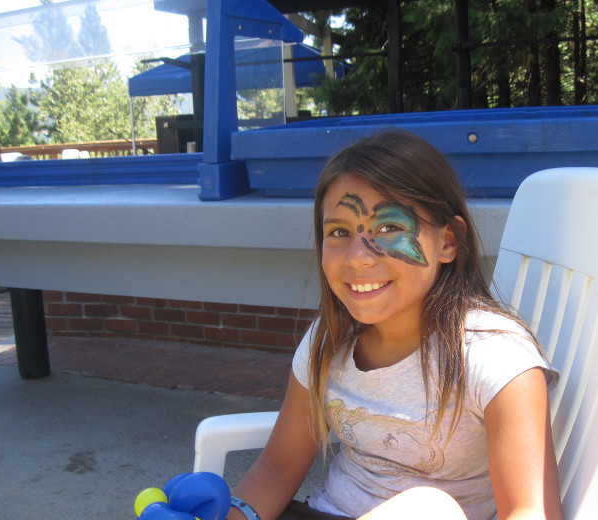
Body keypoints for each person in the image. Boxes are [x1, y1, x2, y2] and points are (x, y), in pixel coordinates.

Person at [225, 130, 562, 520]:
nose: (358, 257)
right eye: (339, 232)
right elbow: (276, 470)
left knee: (431, 509)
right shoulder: (328, 338)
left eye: (389, 228)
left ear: (448, 241)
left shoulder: (496, 358)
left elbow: (530, 510)